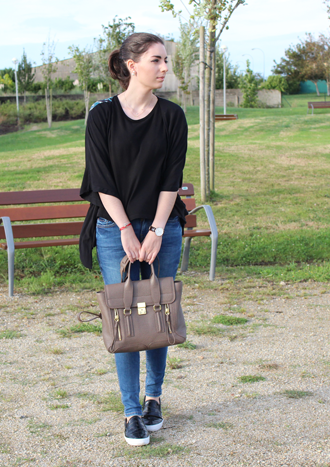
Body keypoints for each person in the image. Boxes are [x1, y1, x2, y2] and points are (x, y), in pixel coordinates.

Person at [79, 32, 188, 447]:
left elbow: (171, 179)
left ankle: (153, 397)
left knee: (158, 311)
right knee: (124, 317)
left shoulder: (173, 116)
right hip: (114, 229)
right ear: (132, 65)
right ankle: (131, 412)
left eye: (166, 60)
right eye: (156, 60)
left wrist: (157, 230)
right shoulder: (102, 115)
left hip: (163, 227)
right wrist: (126, 229)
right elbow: (101, 179)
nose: (164, 67)